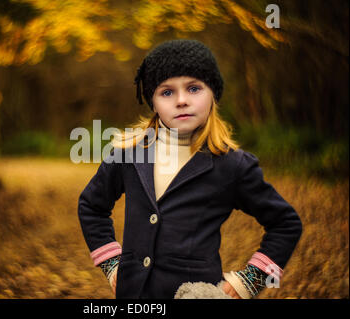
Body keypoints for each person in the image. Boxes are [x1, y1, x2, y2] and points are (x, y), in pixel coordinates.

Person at [78, 39, 303, 299]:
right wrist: (110, 263)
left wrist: (249, 281)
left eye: (194, 88)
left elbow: (286, 224)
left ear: (213, 95)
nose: (182, 100)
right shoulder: (128, 153)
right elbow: (91, 206)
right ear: (153, 102)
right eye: (167, 92)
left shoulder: (232, 165)